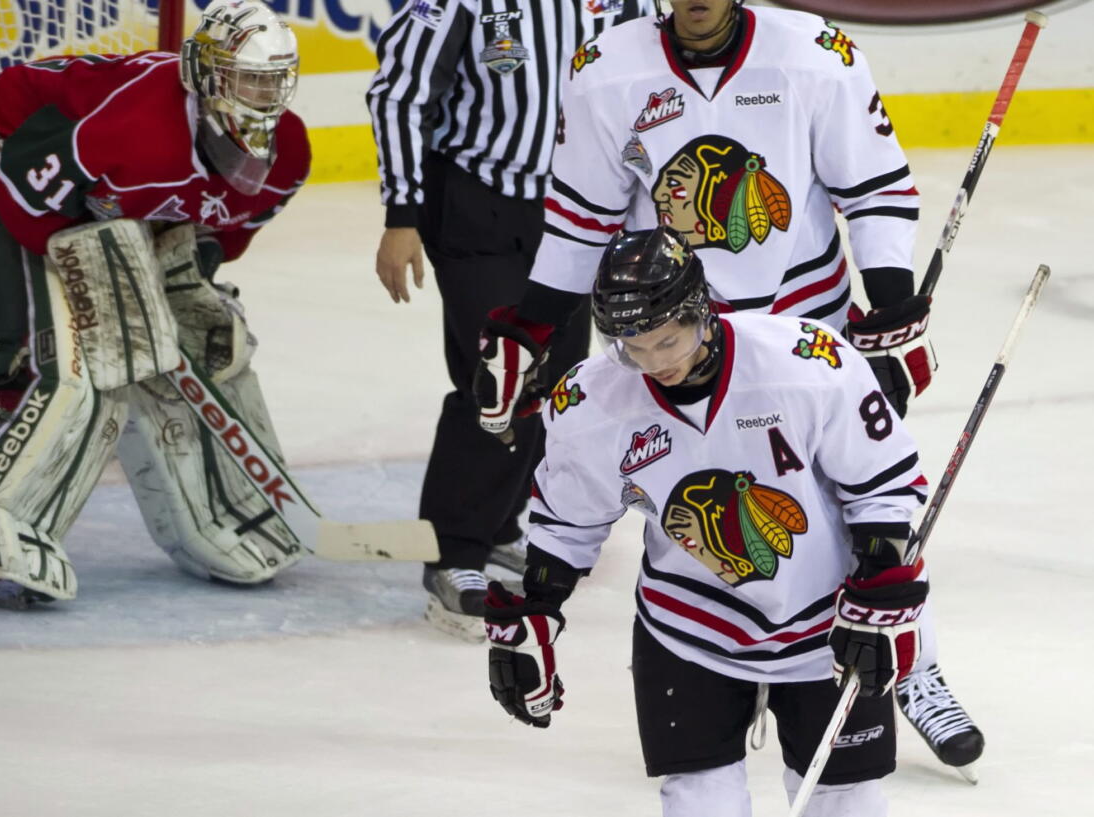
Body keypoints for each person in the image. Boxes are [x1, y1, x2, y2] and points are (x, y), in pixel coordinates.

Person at [473, 0, 982, 772]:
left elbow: (873, 185)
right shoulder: (608, 69)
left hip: (805, 335)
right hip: (666, 345)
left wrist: (889, 304)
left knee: (865, 504)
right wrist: (532, 327)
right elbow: (581, 219)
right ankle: (720, 682)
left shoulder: (813, 51)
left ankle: (914, 666)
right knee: (724, 517)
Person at [484, 226, 929, 816]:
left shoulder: (805, 361)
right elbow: (567, 522)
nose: (652, 363)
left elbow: (883, 482)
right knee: (698, 800)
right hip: (688, 625)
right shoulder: (591, 402)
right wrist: (539, 608)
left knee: (845, 800)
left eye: (666, 342)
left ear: (703, 311)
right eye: (631, 347)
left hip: (825, 618)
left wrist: (881, 585)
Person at [0, 0, 311, 605]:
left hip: (108, 201)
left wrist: (172, 274)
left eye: (272, 79)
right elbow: (31, 201)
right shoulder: (135, 131)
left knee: (206, 340)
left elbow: (220, 234)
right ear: (207, 75)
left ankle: (228, 512)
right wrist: (104, 274)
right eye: (245, 78)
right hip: (7, 171)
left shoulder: (287, 152)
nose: (261, 95)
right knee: (57, 359)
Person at [365, 0, 657, 639]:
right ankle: (455, 553)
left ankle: (499, 525)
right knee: (501, 372)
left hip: (576, 213)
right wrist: (402, 215)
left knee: (558, 380)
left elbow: (651, 87)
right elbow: (399, 94)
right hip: (475, 201)